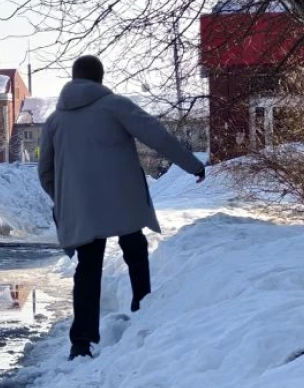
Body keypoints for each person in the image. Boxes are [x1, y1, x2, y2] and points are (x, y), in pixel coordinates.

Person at [38, 55, 206, 360]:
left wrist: (66, 199)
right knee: (134, 248)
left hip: (82, 207)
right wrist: (193, 165)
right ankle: (143, 310)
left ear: (74, 78)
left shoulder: (54, 121)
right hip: (123, 198)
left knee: (88, 268)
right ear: (100, 79)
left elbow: (45, 172)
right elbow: (157, 135)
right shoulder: (114, 106)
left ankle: (81, 341)